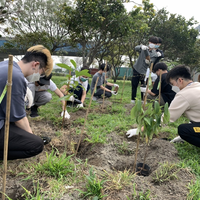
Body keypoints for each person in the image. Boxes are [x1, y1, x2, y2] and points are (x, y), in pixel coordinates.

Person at [127, 65, 200, 148]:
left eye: (172, 84)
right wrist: (182, 138)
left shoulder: (184, 94)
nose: (173, 87)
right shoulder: (197, 85)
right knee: (189, 128)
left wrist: (140, 129)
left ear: (180, 80)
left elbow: (166, 118)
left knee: (183, 130)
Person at [0, 45, 53, 160]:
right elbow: (19, 118)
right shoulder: (16, 76)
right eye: (41, 73)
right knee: (36, 144)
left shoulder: (6, 66)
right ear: (35, 65)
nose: (38, 77)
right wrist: (30, 136)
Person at [131, 36, 160, 103]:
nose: (153, 44)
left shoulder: (154, 54)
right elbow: (136, 48)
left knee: (144, 86)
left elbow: (151, 62)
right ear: (149, 42)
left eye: (155, 43)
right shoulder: (143, 48)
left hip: (145, 72)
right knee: (134, 85)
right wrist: (141, 47)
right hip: (137, 68)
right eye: (152, 42)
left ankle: (143, 100)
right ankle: (133, 99)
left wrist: (149, 62)